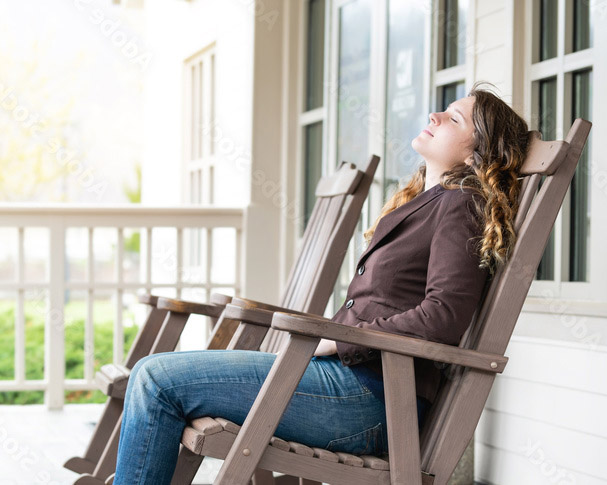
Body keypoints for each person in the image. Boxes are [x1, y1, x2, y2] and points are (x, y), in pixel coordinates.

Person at [112, 82, 532, 485]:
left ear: (477, 155)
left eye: (454, 119)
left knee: (156, 379)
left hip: (369, 399)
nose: (435, 115)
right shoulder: (430, 201)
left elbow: (444, 316)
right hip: (348, 384)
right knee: (156, 377)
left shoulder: (461, 205)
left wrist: (341, 340)